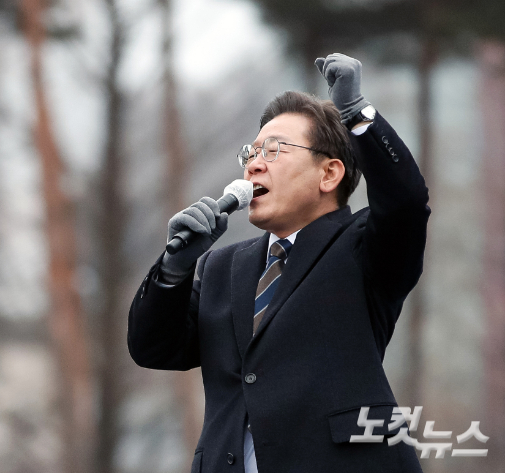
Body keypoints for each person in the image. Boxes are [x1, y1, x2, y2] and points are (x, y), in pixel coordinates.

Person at [127, 53, 429, 472]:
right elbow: (154, 348)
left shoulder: (363, 248)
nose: (254, 162)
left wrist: (357, 113)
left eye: (274, 150)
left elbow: (406, 203)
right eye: (250, 152)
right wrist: (174, 270)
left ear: (329, 174)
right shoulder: (221, 267)